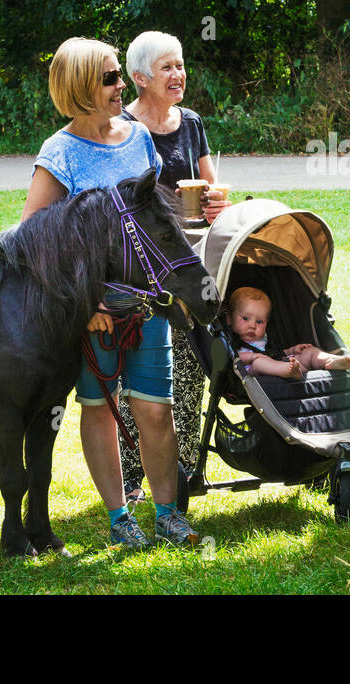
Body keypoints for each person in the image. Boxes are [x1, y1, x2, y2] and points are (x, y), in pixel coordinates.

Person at [22, 37, 198, 550]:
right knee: (98, 408)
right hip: (95, 316)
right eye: (108, 78)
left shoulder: (139, 137)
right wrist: (87, 303)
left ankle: (168, 514)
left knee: (155, 409)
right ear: (80, 88)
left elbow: (152, 213)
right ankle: (121, 518)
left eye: (119, 74)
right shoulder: (59, 153)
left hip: (148, 307)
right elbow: (33, 235)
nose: (120, 85)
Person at [116, 31, 228, 502]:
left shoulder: (192, 124)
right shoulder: (122, 128)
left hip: (190, 257)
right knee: (136, 369)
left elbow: (210, 187)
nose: (178, 74)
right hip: (141, 264)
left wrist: (218, 199)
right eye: (167, 67)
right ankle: (129, 473)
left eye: (180, 65)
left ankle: (182, 468)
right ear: (140, 77)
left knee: (190, 361)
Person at [228, 287, 350, 380]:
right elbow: (232, 358)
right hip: (252, 372)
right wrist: (253, 357)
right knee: (259, 363)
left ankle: (328, 361)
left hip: (283, 365)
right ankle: (288, 371)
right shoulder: (231, 339)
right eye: (245, 318)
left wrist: (291, 351)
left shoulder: (265, 338)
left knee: (308, 351)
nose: (252, 325)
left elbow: (275, 353)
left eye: (259, 321)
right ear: (229, 319)